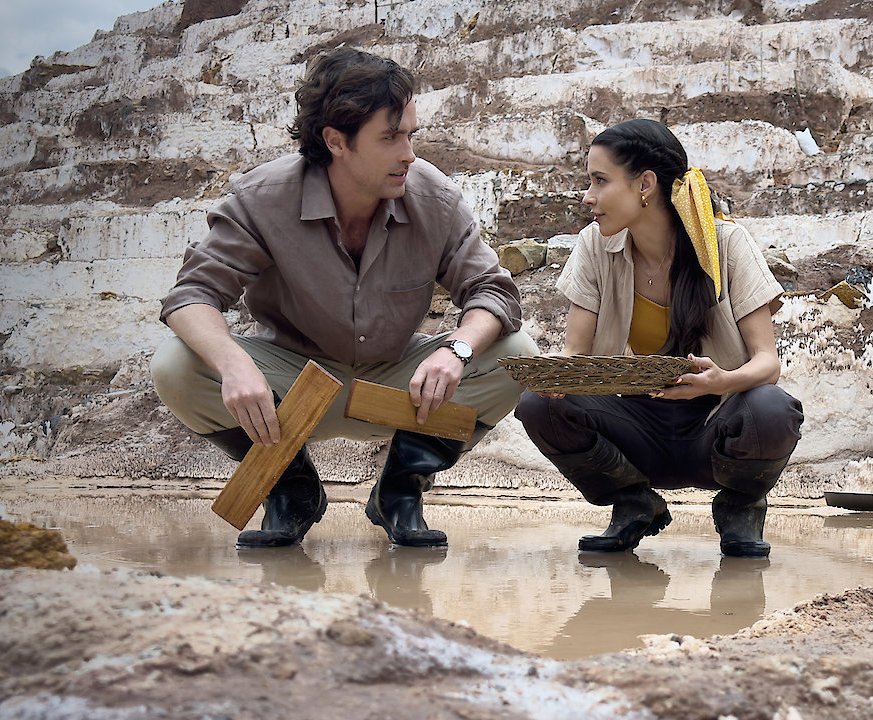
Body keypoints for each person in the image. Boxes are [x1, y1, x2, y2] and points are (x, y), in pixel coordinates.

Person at [150, 47, 537, 549]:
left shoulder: (433, 197)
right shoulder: (262, 198)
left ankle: (399, 491)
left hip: (401, 388)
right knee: (176, 365)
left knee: (517, 355)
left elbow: (493, 291)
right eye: (390, 138)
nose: (409, 154)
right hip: (291, 385)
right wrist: (231, 363)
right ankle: (291, 489)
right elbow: (192, 295)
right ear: (336, 141)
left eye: (410, 135)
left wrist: (455, 349)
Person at [515, 118, 804, 557]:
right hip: (636, 423)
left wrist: (721, 382)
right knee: (540, 405)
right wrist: (549, 377)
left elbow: (768, 363)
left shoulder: (727, 242)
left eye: (600, 180)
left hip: (715, 423)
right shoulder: (594, 245)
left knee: (771, 407)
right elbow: (577, 354)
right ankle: (633, 502)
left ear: (645, 184)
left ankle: (740, 508)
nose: (587, 197)